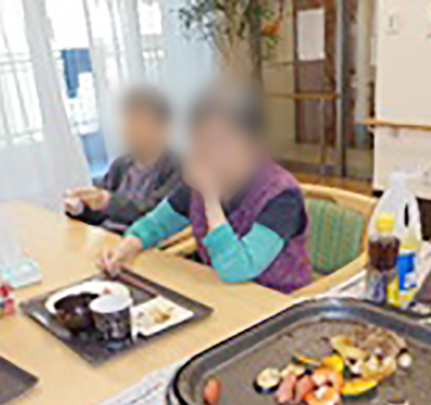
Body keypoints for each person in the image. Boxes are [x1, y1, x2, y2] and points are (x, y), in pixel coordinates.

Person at [98, 84, 313, 294]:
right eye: (198, 139)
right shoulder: (198, 186)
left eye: (218, 141)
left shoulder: (282, 197)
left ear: (253, 144)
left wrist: (210, 196)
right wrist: (128, 245)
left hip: (279, 302)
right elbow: (155, 225)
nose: (203, 152)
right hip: (222, 294)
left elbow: (237, 268)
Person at [64, 86, 181, 233]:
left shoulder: (179, 169)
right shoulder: (121, 165)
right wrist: (81, 208)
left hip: (141, 242)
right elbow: (101, 214)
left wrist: (107, 201)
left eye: (138, 122)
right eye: (126, 121)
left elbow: (157, 216)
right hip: (108, 239)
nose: (128, 129)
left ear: (163, 128)